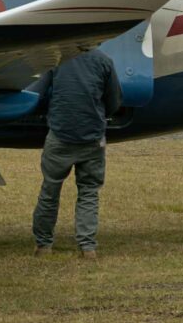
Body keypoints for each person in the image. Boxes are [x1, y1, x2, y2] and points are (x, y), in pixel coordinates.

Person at [32, 44, 121, 258]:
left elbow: (36, 92)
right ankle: (87, 247)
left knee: (50, 191)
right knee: (89, 191)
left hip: (60, 137)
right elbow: (114, 102)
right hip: (92, 138)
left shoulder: (56, 59)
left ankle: (44, 245)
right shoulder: (104, 61)